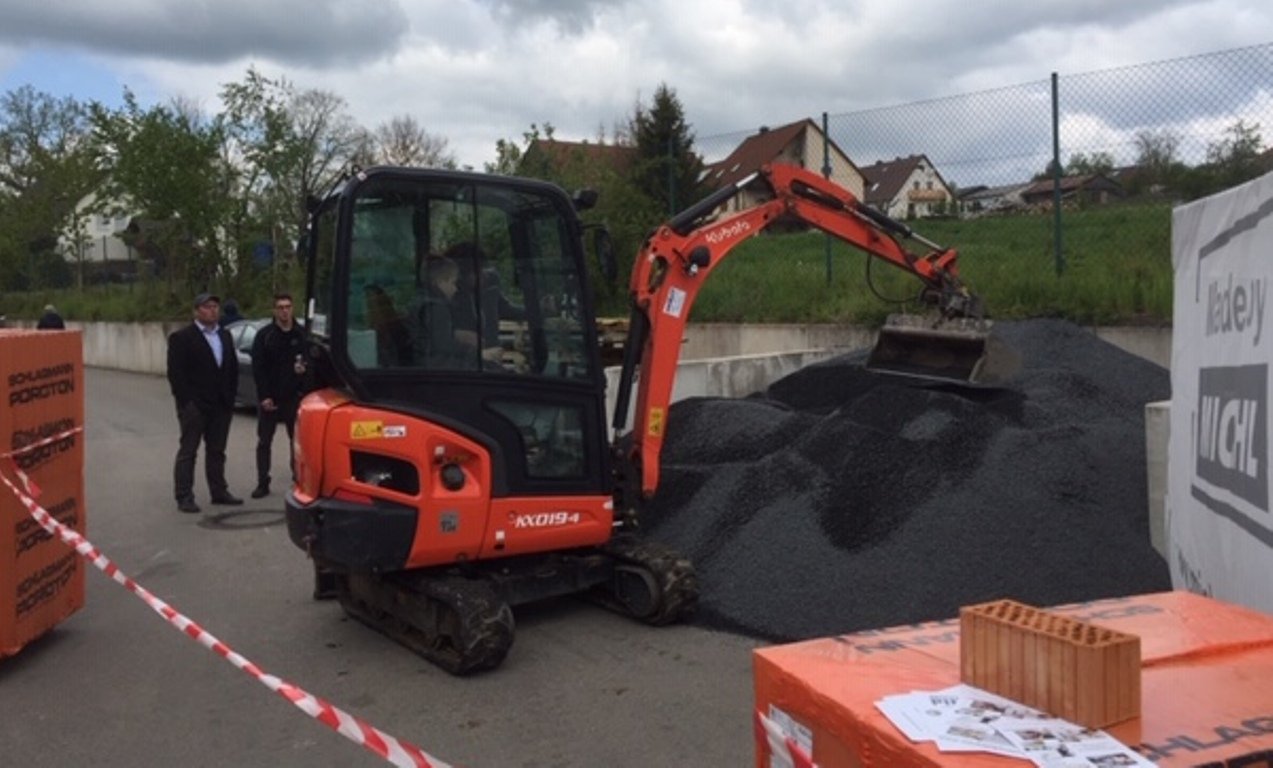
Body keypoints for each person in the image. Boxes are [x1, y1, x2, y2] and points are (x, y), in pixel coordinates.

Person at [166, 292, 242, 513]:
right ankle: (184, 496)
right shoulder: (182, 338)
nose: (212, 310)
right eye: (207, 307)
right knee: (189, 451)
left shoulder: (225, 336)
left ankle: (219, 491)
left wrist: (230, 397)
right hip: (195, 406)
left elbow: (232, 368)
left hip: (221, 404)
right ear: (196, 311)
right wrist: (187, 403)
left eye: (215, 307)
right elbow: (176, 375)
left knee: (217, 451)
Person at [249, 292, 308, 498]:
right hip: (270, 397)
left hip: (294, 396)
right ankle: (262, 482)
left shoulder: (302, 335)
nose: (284, 311)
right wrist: (264, 396)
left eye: (288, 307)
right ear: (274, 311)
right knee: (264, 441)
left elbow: (312, 364)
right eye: (280, 307)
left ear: (293, 309)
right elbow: (258, 368)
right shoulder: (265, 336)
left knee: (297, 441)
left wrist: (304, 373)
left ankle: (298, 478)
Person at [444, 242, 524, 355]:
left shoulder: (490, 285)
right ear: (461, 274)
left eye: (483, 268)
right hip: (465, 362)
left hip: (493, 358)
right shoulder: (448, 295)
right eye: (477, 271)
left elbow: (508, 310)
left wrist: (540, 309)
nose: (483, 275)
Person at [412, 256, 480, 369]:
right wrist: (474, 351)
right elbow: (443, 345)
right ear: (440, 282)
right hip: (436, 366)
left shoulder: (424, 300)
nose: (456, 289)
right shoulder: (436, 307)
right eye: (453, 283)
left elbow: (432, 335)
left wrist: (456, 334)